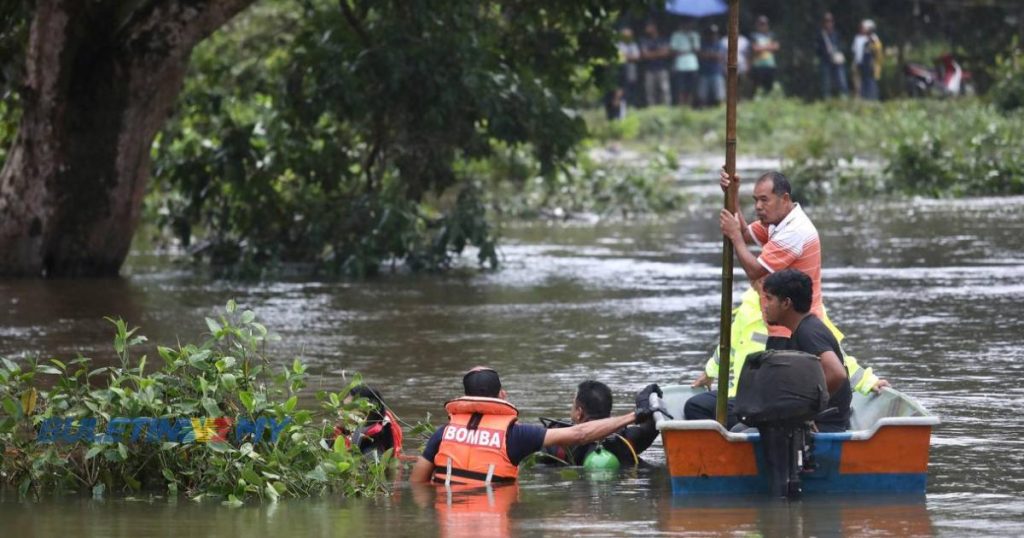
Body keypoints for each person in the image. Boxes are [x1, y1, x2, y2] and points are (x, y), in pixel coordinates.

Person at [691, 169, 888, 398]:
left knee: (799, 380)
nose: (758, 207)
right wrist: (732, 195)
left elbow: (754, 268)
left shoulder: (794, 232)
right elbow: (746, 233)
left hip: (794, 324)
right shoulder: (778, 224)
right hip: (782, 326)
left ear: (784, 199)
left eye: (764, 200)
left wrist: (734, 237)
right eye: (755, 200)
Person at [409, 367, 661, 486]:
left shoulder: (443, 434)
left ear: (465, 398)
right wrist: (634, 414)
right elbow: (580, 433)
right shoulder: (517, 435)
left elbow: (418, 484)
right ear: (503, 395)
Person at [687, 269, 853, 432]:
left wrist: (808, 413)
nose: (764, 306)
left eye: (769, 299)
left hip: (824, 424)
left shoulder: (808, 332)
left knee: (740, 429)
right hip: (802, 415)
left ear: (786, 303)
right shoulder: (801, 328)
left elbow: (837, 374)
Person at [537, 380, 660, 468]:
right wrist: (645, 400)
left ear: (579, 413)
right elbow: (654, 425)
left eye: (572, 404)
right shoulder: (626, 440)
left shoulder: (558, 442)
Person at [334, 384, 407, 461]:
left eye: (347, 409)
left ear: (365, 412)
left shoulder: (372, 454)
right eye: (341, 407)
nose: (339, 412)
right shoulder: (356, 429)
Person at [608, 27, 641, 120]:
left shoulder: (632, 44)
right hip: (617, 71)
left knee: (627, 92)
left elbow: (636, 56)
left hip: (628, 71)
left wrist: (624, 55)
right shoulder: (617, 44)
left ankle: (628, 111)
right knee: (617, 93)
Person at [638, 21, 672, 107]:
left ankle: (666, 109)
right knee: (650, 92)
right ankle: (652, 110)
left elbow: (667, 53)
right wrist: (659, 53)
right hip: (649, 69)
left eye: (648, 26)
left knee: (664, 90)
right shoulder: (644, 40)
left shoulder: (663, 39)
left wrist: (652, 53)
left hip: (662, 68)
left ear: (654, 27)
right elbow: (645, 55)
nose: (646, 29)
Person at [817, 12, 848, 98]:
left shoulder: (837, 34)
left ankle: (844, 96)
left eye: (830, 21)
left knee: (841, 79)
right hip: (825, 60)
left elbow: (842, 45)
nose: (828, 23)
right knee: (826, 81)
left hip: (837, 59)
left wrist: (837, 50)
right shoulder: (820, 35)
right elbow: (818, 48)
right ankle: (827, 97)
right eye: (826, 21)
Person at [669, 19, 700, 107]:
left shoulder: (694, 35)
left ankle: (689, 106)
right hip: (680, 65)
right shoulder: (676, 35)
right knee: (681, 88)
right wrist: (686, 51)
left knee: (691, 88)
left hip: (693, 65)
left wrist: (691, 40)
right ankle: (681, 107)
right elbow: (673, 50)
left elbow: (697, 50)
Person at [852, 19, 883, 100]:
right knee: (863, 82)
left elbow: (877, 53)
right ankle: (865, 98)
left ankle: (872, 98)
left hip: (871, 66)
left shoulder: (874, 39)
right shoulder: (863, 39)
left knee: (871, 82)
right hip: (864, 65)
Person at [696, 24, 726, 108]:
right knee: (702, 95)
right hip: (704, 72)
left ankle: (720, 110)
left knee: (719, 95)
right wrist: (712, 56)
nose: (712, 35)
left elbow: (720, 56)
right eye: (710, 33)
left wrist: (708, 55)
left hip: (717, 72)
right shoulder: (703, 44)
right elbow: (700, 55)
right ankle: (703, 111)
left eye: (714, 33)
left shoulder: (720, 44)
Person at [750, 15, 779, 96]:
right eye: (761, 24)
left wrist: (761, 47)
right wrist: (769, 47)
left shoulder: (772, 35)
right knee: (757, 88)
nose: (763, 26)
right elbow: (755, 49)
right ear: (757, 25)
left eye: (764, 24)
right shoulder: (754, 36)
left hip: (770, 64)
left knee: (769, 87)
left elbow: (776, 47)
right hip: (758, 65)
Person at [719, 30, 751, 99]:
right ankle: (729, 99)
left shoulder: (744, 40)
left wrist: (748, 65)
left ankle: (740, 98)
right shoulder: (723, 40)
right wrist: (722, 66)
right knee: (729, 84)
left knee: (740, 84)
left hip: (741, 66)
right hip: (727, 66)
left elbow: (747, 54)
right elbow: (721, 55)